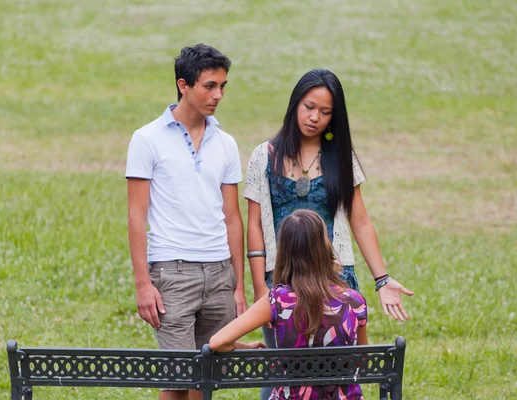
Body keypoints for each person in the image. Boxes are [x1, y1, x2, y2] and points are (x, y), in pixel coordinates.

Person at [244, 68, 413, 400]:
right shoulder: (264, 156)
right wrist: (260, 287)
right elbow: (254, 226)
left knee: (339, 374)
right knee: (279, 375)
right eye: (309, 107)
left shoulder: (341, 159)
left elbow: (360, 220)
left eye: (325, 112)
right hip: (282, 283)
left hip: (335, 283)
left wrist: (382, 279)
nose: (314, 117)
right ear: (295, 104)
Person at [125, 43, 248, 400]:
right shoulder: (146, 139)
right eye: (210, 86)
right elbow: (136, 216)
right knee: (178, 378)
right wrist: (142, 284)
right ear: (183, 85)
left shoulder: (226, 143)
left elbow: (232, 218)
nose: (218, 95)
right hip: (172, 273)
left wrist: (238, 285)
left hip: (219, 271)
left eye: (223, 86)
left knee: (206, 377)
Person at [210, 209, 369, 400]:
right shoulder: (354, 302)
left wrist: (246, 348)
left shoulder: (278, 301)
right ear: (324, 248)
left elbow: (217, 342)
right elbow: (362, 362)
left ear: (284, 252)